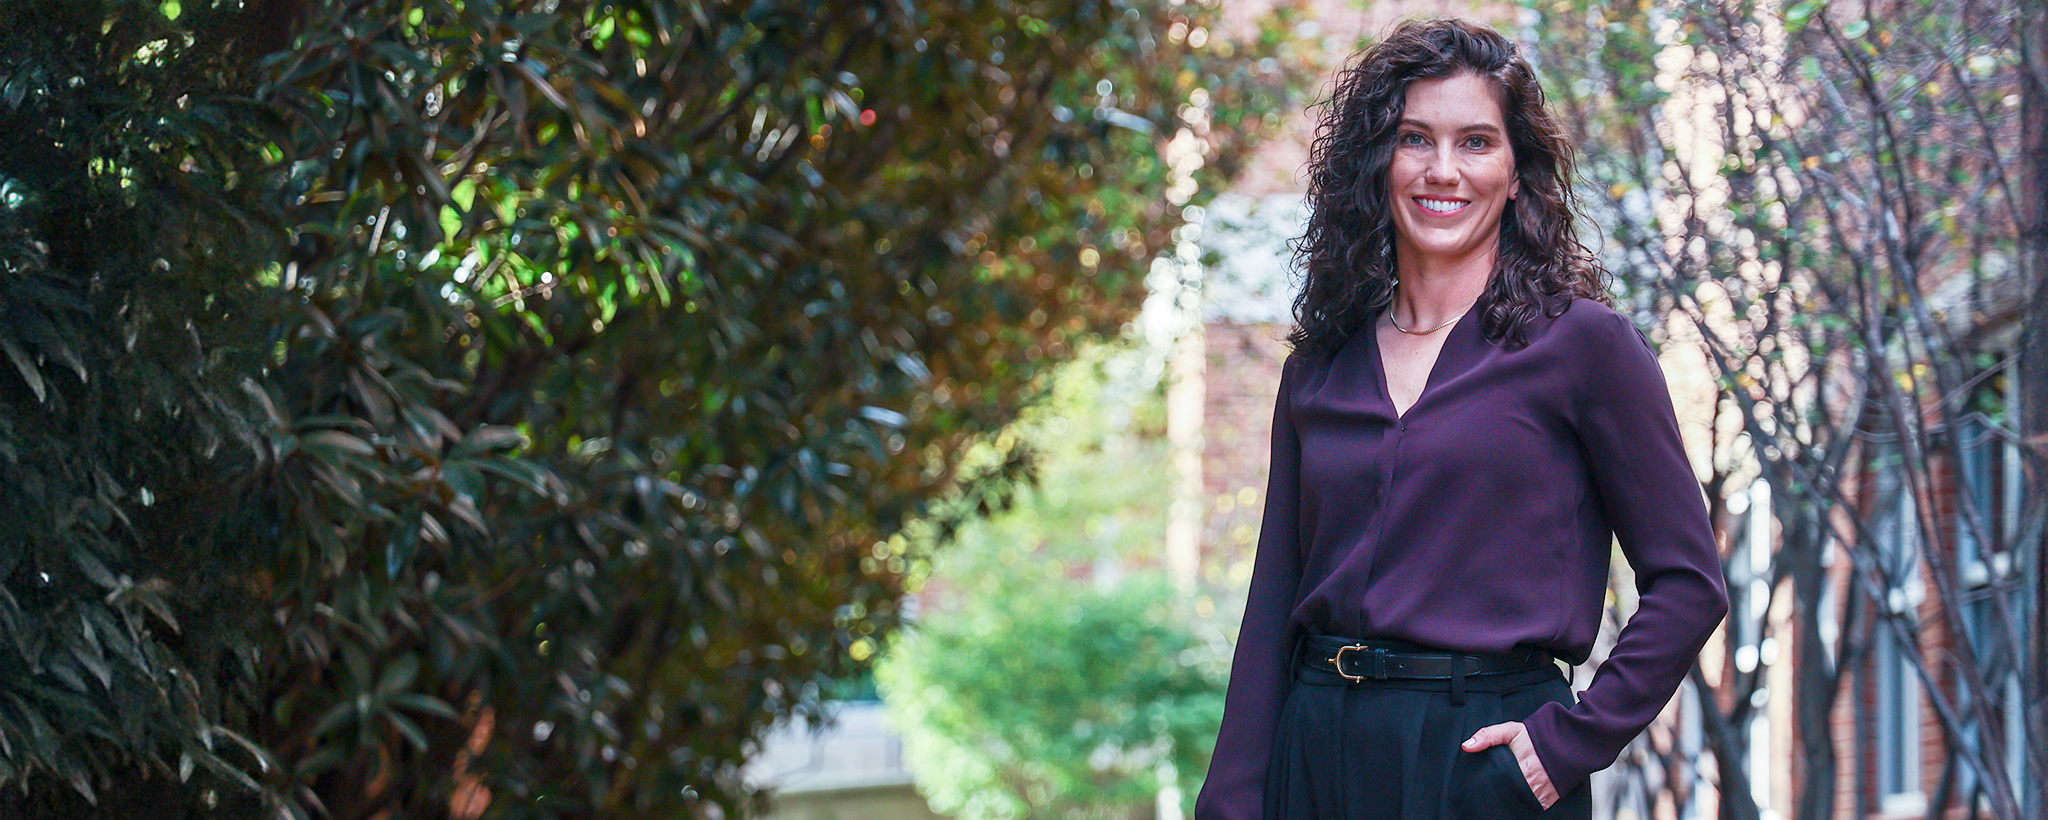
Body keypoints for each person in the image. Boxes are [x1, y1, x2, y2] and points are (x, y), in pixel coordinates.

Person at [1192, 18, 1729, 820]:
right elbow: (1273, 598)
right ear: (1379, 163)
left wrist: (1567, 746)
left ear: (1517, 173)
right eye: (1415, 139)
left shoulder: (1585, 346)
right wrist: (1231, 799)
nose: (1443, 170)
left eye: (1475, 142)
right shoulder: (1320, 365)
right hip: (1315, 752)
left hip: (1481, 761)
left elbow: (1690, 584)